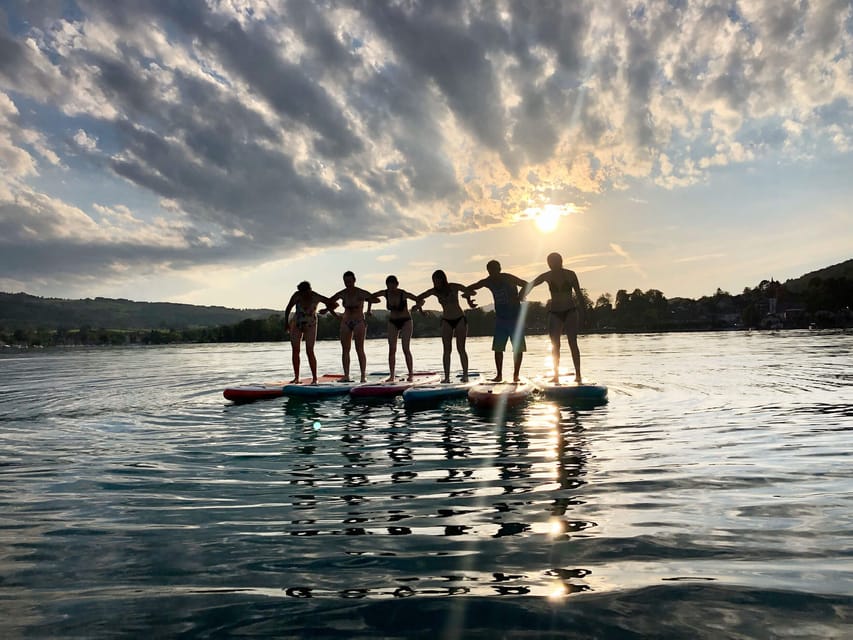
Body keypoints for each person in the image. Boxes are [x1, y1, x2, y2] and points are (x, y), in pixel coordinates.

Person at [523, 252, 584, 382]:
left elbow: (579, 293)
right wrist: (521, 294)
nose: (552, 265)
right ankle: (555, 376)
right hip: (555, 313)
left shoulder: (571, 274)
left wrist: (584, 312)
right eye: (550, 262)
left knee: (573, 342)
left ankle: (578, 375)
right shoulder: (547, 276)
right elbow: (532, 284)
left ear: (561, 261)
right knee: (555, 345)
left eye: (555, 262)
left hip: (570, 311)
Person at [468, 260, 529, 382]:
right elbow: (471, 287)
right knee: (498, 348)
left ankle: (516, 375)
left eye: (495, 271)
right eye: (490, 272)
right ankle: (499, 375)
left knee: (518, 348)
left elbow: (526, 284)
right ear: (488, 272)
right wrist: (468, 299)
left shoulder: (508, 278)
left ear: (499, 269)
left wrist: (521, 295)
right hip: (501, 319)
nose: (493, 274)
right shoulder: (488, 281)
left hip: (515, 319)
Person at [415, 270, 477, 383]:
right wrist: (420, 309)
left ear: (442, 279)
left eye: (437, 280)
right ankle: (447, 377)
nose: (435, 283)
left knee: (461, 348)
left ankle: (465, 375)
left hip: (459, 319)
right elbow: (419, 297)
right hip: (446, 320)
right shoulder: (434, 291)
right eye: (433, 281)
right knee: (446, 350)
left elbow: (471, 292)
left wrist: (468, 298)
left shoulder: (454, 286)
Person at [329, 271, 380, 382]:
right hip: (346, 321)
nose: (348, 284)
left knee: (359, 349)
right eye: (346, 282)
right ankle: (346, 375)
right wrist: (335, 315)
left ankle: (363, 376)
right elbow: (329, 302)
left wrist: (368, 306)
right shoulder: (342, 293)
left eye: (350, 281)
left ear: (354, 280)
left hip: (359, 321)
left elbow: (376, 299)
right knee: (345, 349)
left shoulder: (360, 292)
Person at [283, 281, 337, 384]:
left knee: (310, 350)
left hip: (311, 324)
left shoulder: (315, 296)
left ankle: (315, 378)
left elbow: (334, 304)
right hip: (297, 323)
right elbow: (288, 308)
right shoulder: (297, 295)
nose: (304, 295)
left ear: (310, 290)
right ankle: (296, 377)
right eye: (302, 293)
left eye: (306, 293)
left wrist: (326, 310)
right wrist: (286, 323)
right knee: (295, 350)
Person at [368, 275, 421, 381]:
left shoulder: (403, 293)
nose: (391, 288)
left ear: (397, 284)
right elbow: (370, 297)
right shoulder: (385, 293)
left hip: (406, 321)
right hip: (393, 322)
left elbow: (419, 300)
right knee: (392, 349)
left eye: (393, 286)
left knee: (405, 348)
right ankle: (392, 376)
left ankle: (411, 374)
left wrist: (418, 307)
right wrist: (369, 309)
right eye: (388, 286)